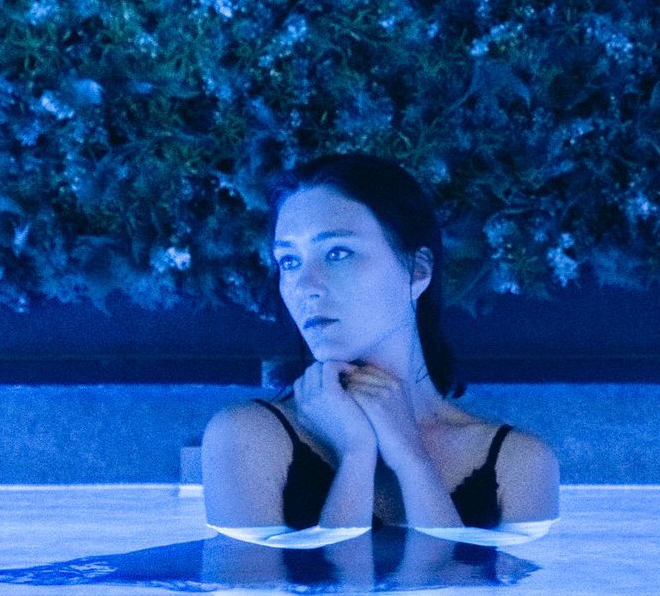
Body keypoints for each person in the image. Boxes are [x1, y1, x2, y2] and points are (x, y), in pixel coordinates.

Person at [202, 153, 560, 548]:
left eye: (338, 253)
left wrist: (410, 457)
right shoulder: (246, 436)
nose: (305, 286)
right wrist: (356, 456)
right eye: (288, 260)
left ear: (417, 270)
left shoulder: (519, 462)